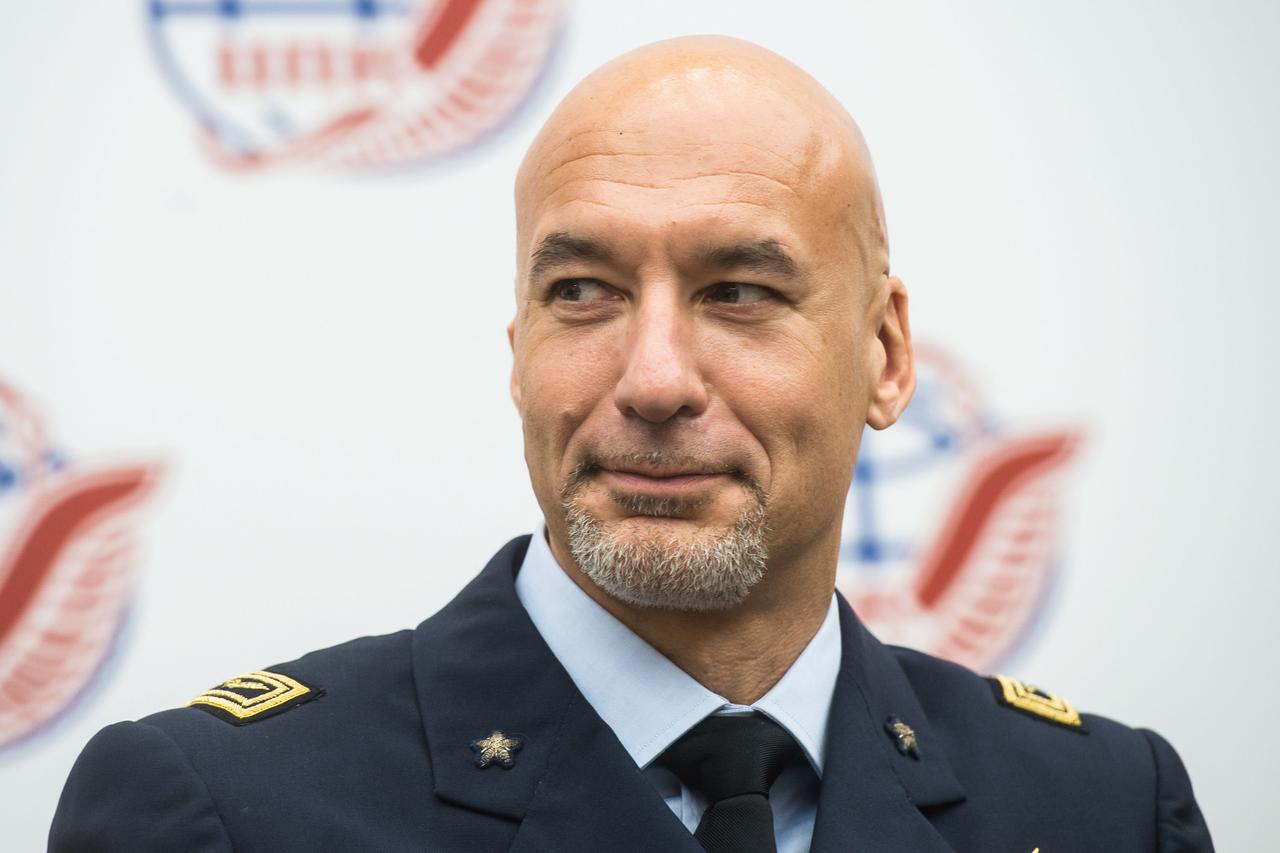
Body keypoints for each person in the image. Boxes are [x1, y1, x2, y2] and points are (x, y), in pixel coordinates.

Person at [49, 36, 1213, 853]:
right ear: (518, 352)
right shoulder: (221, 809)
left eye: (739, 291)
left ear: (885, 354)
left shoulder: (1103, 807)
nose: (653, 380)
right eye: (583, 292)